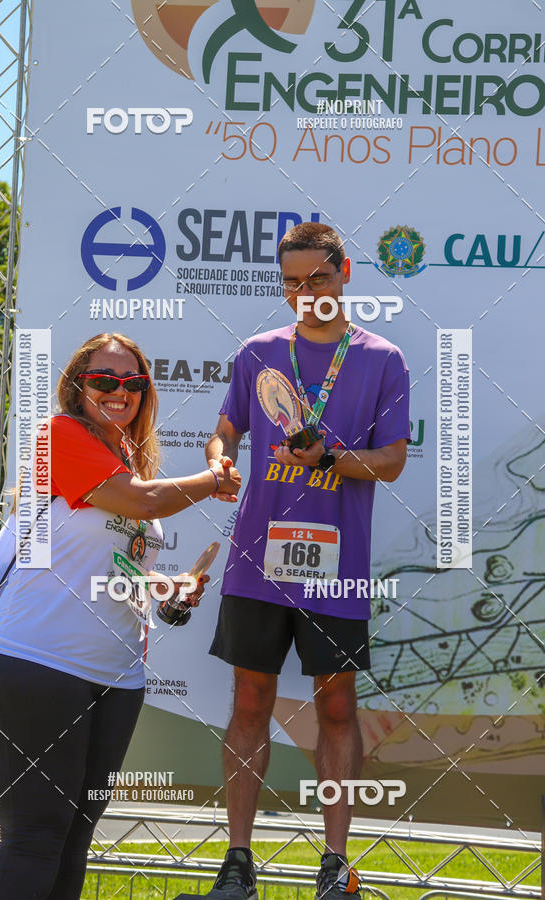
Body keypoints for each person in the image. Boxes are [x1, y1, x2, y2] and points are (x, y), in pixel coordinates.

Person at [0, 332, 240, 900]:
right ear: (77, 389)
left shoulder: (128, 459)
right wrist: (214, 478)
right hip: (39, 660)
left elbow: (111, 567)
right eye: (104, 381)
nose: (121, 392)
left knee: (74, 838)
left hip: (116, 676)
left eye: (134, 383)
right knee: (34, 836)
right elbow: (145, 503)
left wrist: (169, 593)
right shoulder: (61, 435)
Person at [204, 223, 410, 900]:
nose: (305, 294)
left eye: (317, 279)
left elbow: (392, 462)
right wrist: (217, 461)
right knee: (251, 699)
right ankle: (238, 861)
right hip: (256, 561)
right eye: (291, 283)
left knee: (339, 706)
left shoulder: (383, 359)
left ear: (344, 273)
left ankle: (334, 862)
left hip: (337, 567)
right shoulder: (259, 353)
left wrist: (327, 457)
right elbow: (225, 428)